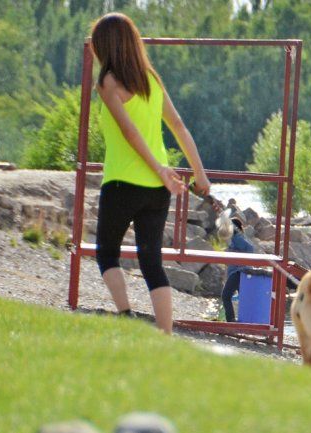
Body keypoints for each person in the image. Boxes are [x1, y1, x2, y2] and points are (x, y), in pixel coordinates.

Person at [91, 12, 211, 334]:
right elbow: (179, 127)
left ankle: (126, 314)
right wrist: (200, 174)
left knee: (106, 253)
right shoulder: (151, 80)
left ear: (104, 46)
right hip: (158, 188)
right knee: (151, 262)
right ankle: (165, 337)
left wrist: (159, 169)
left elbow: (129, 132)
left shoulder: (108, 82)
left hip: (123, 183)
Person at [221, 217, 255, 322]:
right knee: (243, 298)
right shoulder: (237, 238)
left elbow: (250, 248)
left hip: (238, 272)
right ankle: (246, 321)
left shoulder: (237, 237)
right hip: (239, 272)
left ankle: (231, 321)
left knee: (226, 296)